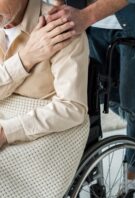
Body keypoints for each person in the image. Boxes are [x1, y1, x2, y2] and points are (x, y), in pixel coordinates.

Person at [47, 0, 135, 198]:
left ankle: (133, 181)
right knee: (99, 96)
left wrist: (86, 16)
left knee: (133, 103)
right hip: (91, 26)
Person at [0, 0, 89, 151]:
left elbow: (73, 107)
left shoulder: (60, 26)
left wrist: (6, 133)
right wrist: (25, 59)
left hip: (42, 139)